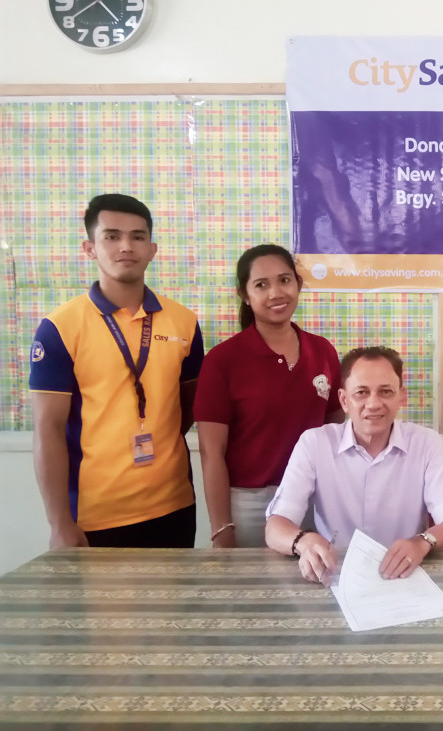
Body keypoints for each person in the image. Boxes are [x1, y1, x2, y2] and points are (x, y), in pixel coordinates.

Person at [29, 193, 204, 548]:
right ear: (89, 248)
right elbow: (48, 430)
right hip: (95, 515)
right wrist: (59, 523)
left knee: (174, 589)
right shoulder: (60, 327)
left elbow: (187, 408)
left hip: (174, 506)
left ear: (152, 249)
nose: (126, 246)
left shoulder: (184, 322)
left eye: (138, 236)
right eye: (111, 236)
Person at [265, 346, 443, 582]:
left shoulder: (426, 443)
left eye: (386, 392)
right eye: (361, 392)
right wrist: (303, 541)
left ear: (400, 397)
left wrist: (421, 543)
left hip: (405, 576)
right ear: (344, 400)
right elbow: (276, 526)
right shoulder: (315, 443)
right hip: (335, 575)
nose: (373, 404)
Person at [194, 244, 344, 548]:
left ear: (298, 284)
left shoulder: (323, 351)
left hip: (314, 498)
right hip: (249, 506)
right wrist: (222, 528)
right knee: (247, 580)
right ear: (244, 294)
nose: (276, 293)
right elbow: (212, 453)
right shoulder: (222, 361)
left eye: (284, 280)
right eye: (261, 285)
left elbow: (335, 434)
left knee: (316, 577)